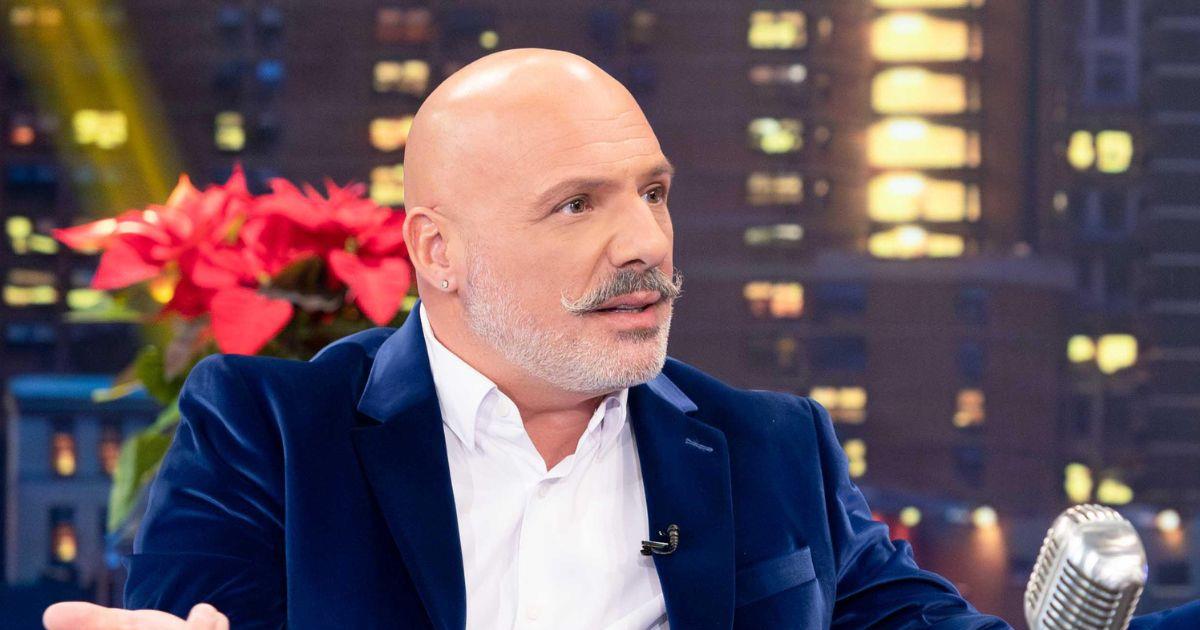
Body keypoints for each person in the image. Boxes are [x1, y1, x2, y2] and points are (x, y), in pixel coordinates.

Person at [44, 47, 1017, 629]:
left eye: (653, 193)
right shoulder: (268, 431)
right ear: (439, 252)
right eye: (576, 205)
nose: (645, 244)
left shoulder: (771, 447)